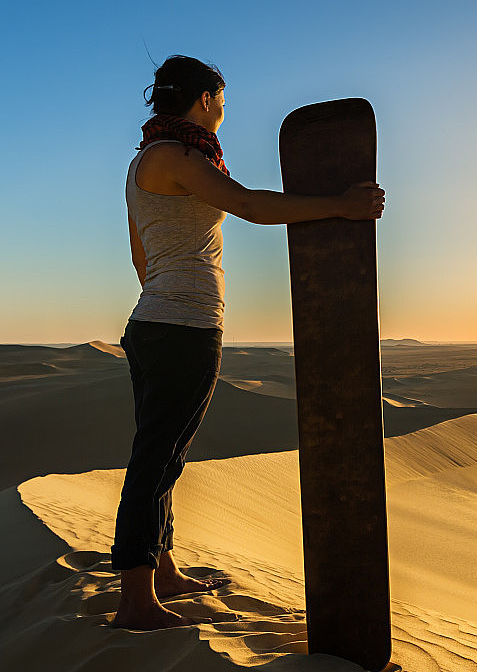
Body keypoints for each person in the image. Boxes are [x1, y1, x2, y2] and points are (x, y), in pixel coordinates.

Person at [111, 55, 385, 630]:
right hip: (182, 329)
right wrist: (341, 206)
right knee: (156, 460)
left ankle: (162, 570)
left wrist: (167, 298)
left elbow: (140, 254)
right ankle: (135, 599)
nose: (224, 112)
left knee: (165, 454)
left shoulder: (143, 161)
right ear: (206, 99)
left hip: (157, 323)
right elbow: (252, 205)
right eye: (223, 101)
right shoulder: (180, 158)